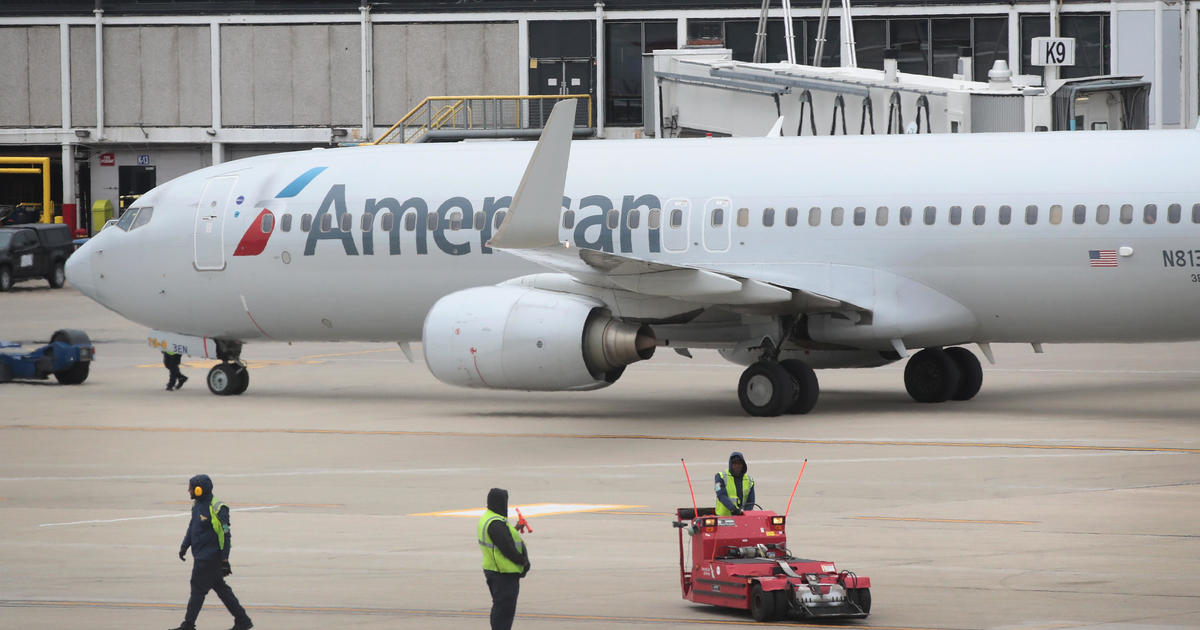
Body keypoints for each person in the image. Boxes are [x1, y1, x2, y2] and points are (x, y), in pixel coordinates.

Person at [170, 474, 253, 630]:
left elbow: (225, 535)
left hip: (209, 559)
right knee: (221, 589)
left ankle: (188, 625)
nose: (189, 490)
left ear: (200, 490)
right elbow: (192, 527)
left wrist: (224, 560)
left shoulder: (217, 508)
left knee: (197, 591)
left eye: (191, 488)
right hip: (202, 556)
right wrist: (184, 545)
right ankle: (243, 620)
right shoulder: (197, 505)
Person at [478, 488, 530, 630]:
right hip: (502, 573)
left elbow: (500, 540)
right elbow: (506, 547)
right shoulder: (496, 523)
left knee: (501, 608)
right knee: (503, 611)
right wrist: (522, 561)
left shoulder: (490, 518)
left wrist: (516, 528)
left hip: (495, 570)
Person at [714, 451, 755, 516]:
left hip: (742, 517)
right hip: (723, 517)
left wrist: (744, 513)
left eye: (739, 463)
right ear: (730, 464)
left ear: (743, 465)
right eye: (734, 463)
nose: (737, 466)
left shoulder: (750, 480)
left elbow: (751, 501)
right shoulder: (720, 476)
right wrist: (733, 509)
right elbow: (721, 495)